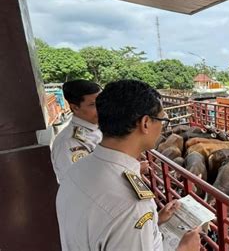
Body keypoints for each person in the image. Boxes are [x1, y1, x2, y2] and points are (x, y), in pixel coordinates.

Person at [56, 80, 200, 251]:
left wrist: (156, 220)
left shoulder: (77, 170)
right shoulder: (132, 204)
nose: (162, 127)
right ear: (145, 123)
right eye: (162, 120)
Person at [51, 79, 102, 184]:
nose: (101, 108)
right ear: (75, 107)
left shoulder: (99, 127)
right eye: (93, 105)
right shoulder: (68, 142)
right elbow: (80, 182)